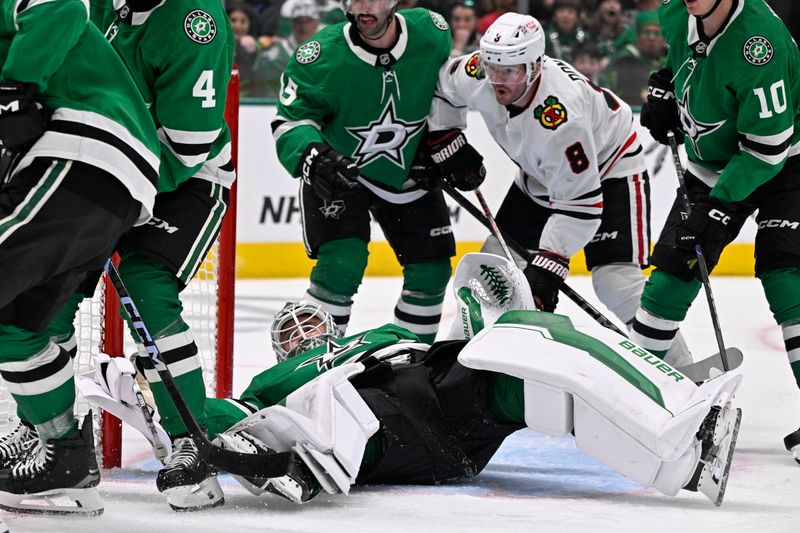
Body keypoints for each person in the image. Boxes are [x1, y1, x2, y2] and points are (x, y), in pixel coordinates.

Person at [84, 253, 744, 507]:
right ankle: (679, 408)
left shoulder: (373, 340)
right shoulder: (272, 381)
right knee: (525, 341)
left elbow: (421, 344)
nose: (303, 335)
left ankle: (685, 461)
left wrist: (475, 314)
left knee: (534, 369)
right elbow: (218, 415)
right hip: (372, 438)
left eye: (309, 325)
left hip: (444, 413)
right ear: (278, 346)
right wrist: (147, 393)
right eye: (290, 332)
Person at [39, 0, 236, 512]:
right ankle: (51, 438)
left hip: (185, 178)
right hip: (108, 170)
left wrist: (121, 203)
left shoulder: (196, 21)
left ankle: (190, 440)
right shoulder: (101, 4)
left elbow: (188, 147)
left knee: (148, 286)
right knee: (47, 294)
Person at [426, 12, 691, 365]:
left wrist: (550, 264)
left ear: (535, 66)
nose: (498, 80)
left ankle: (684, 374)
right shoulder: (479, 71)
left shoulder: (562, 120)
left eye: (511, 71)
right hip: (539, 176)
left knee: (615, 283)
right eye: (493, 68)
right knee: (493, 269)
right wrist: (446, 137)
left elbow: (579, 205)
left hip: (610, 168)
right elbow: (440, 88)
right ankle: (453, 361)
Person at [0, 0, 160, 515]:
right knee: (14, 328)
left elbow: (60, 2)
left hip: (82, 149)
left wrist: (15, 87)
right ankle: (65, 461)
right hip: (93, 183)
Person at [630, 0, 800, 464]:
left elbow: (768, 149)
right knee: (671, 271)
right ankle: (627, 397)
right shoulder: (674, 13)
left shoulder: (758, 44)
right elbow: (677, 62)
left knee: (786, 274)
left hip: (784, 159)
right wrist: (664, 87)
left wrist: (721, 208)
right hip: (715, 165)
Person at [271, 0, 485, 342]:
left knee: (430, 272)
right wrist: (312, 154)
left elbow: (445, 89)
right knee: (341, 266)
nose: (365, 8)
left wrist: (444, 137)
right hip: (340, 172)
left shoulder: (431, 33)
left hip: (407, 170)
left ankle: (409, 363)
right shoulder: (319, 55)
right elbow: (291, 119)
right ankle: (312, 367)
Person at [599, 10, 666, 105]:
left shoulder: (668, 60)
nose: (652, 38)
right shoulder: (625, 59)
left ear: (663, 38)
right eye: (647, 33)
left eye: (656, 33)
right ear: (638, 37)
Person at [261, 0, 322, 98]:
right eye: (299, 21)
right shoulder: (278, 54)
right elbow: (271, 92)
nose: (304, 26)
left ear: (317, 22)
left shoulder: (329, 49)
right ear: (292, 23)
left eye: (308, 21)